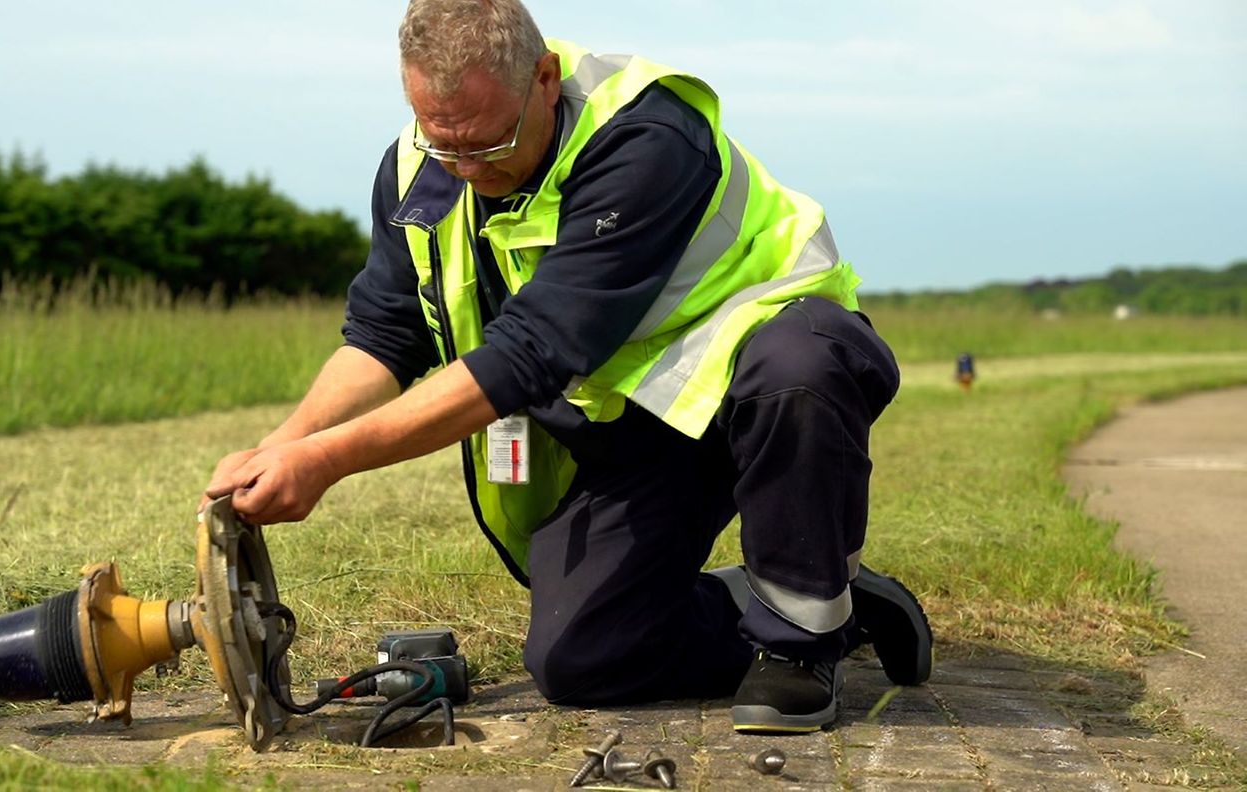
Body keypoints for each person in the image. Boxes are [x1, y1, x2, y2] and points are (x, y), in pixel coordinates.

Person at [204, 0, 931, 733]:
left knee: (797, 368)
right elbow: (386, 334)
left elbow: (534, 350)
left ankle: (802, 644)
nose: (466, 168)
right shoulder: (417, 171)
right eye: (443, 141)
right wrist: (284, 444)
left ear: (544, 77)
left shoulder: (646, 136)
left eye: (490, 143)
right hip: (639, 424)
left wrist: (326, 462)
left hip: (767, 370)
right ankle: (834, 600)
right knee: (583, 660)